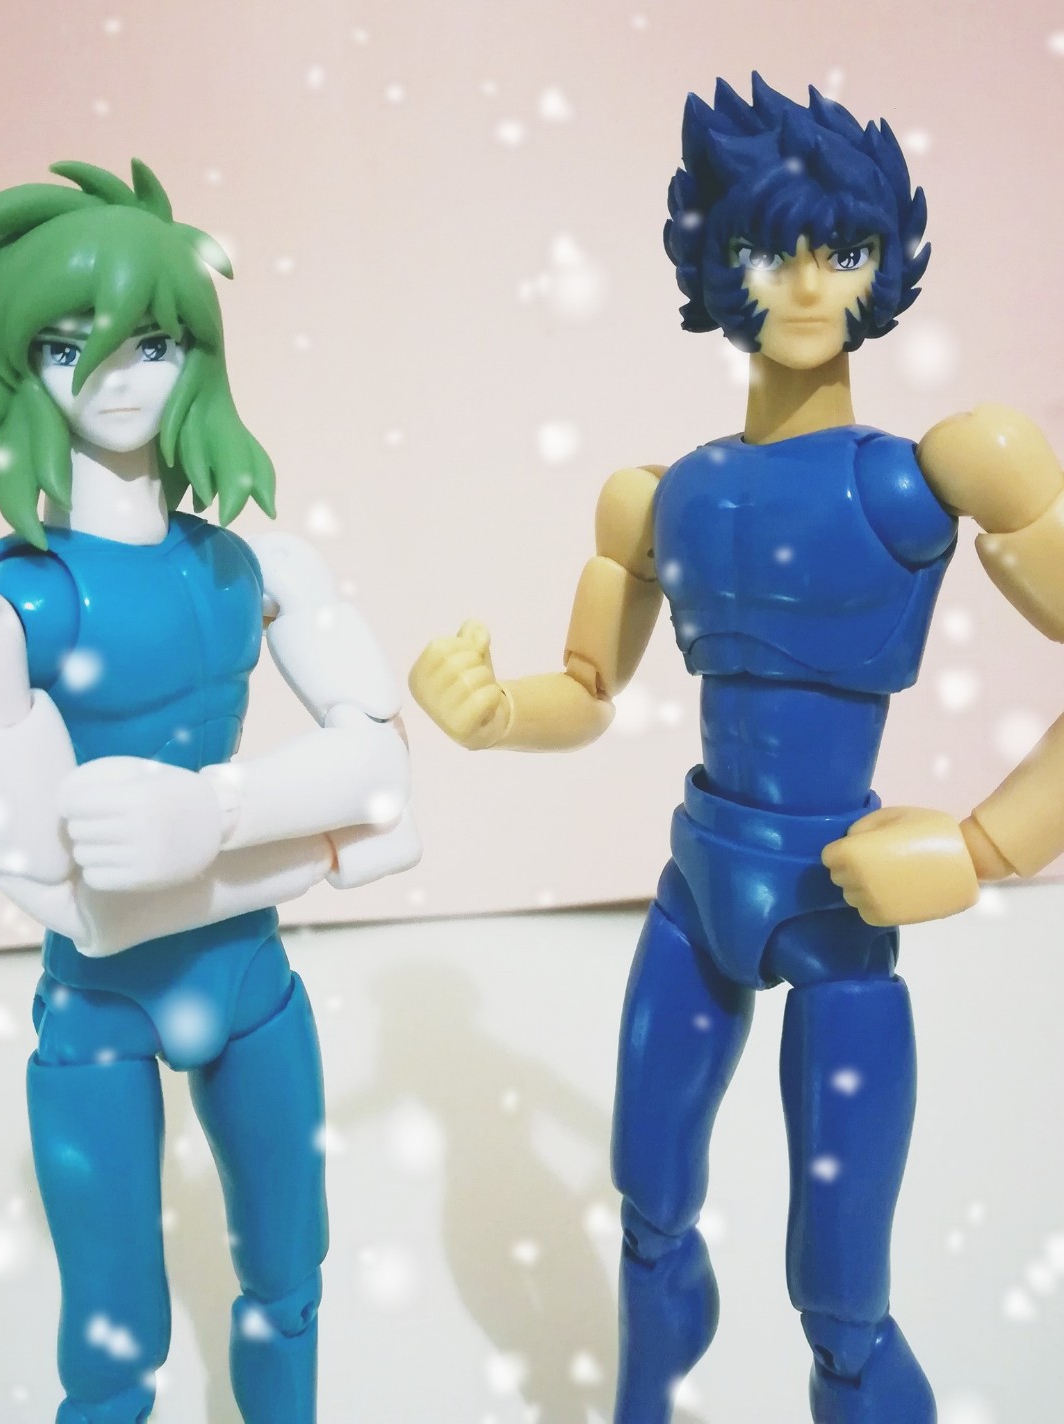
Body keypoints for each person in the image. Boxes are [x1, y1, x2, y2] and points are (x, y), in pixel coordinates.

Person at [410, 75, 1063, 1423]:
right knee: (646, 1206)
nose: (809, 284)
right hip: (695, 890)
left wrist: (981, 845)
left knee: (842, 1302)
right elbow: (587, 687)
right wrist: (492, 713)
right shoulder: (660, 497)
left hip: (837, 906)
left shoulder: (941, 473)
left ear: (884, 264)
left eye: (843, 249)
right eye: (772, 250)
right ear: (717, 265)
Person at [0, 159, 419, 1424]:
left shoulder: (259, 564)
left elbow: (385, 783)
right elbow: (83, 907)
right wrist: (308, 839)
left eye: (153, 342)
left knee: (289, 1283)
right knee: (111, 1343)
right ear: (23, 370)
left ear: (198, 354)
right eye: (68, 346)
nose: (117, 377)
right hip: (97, 1018)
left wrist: (213, 818)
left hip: (255, 991)